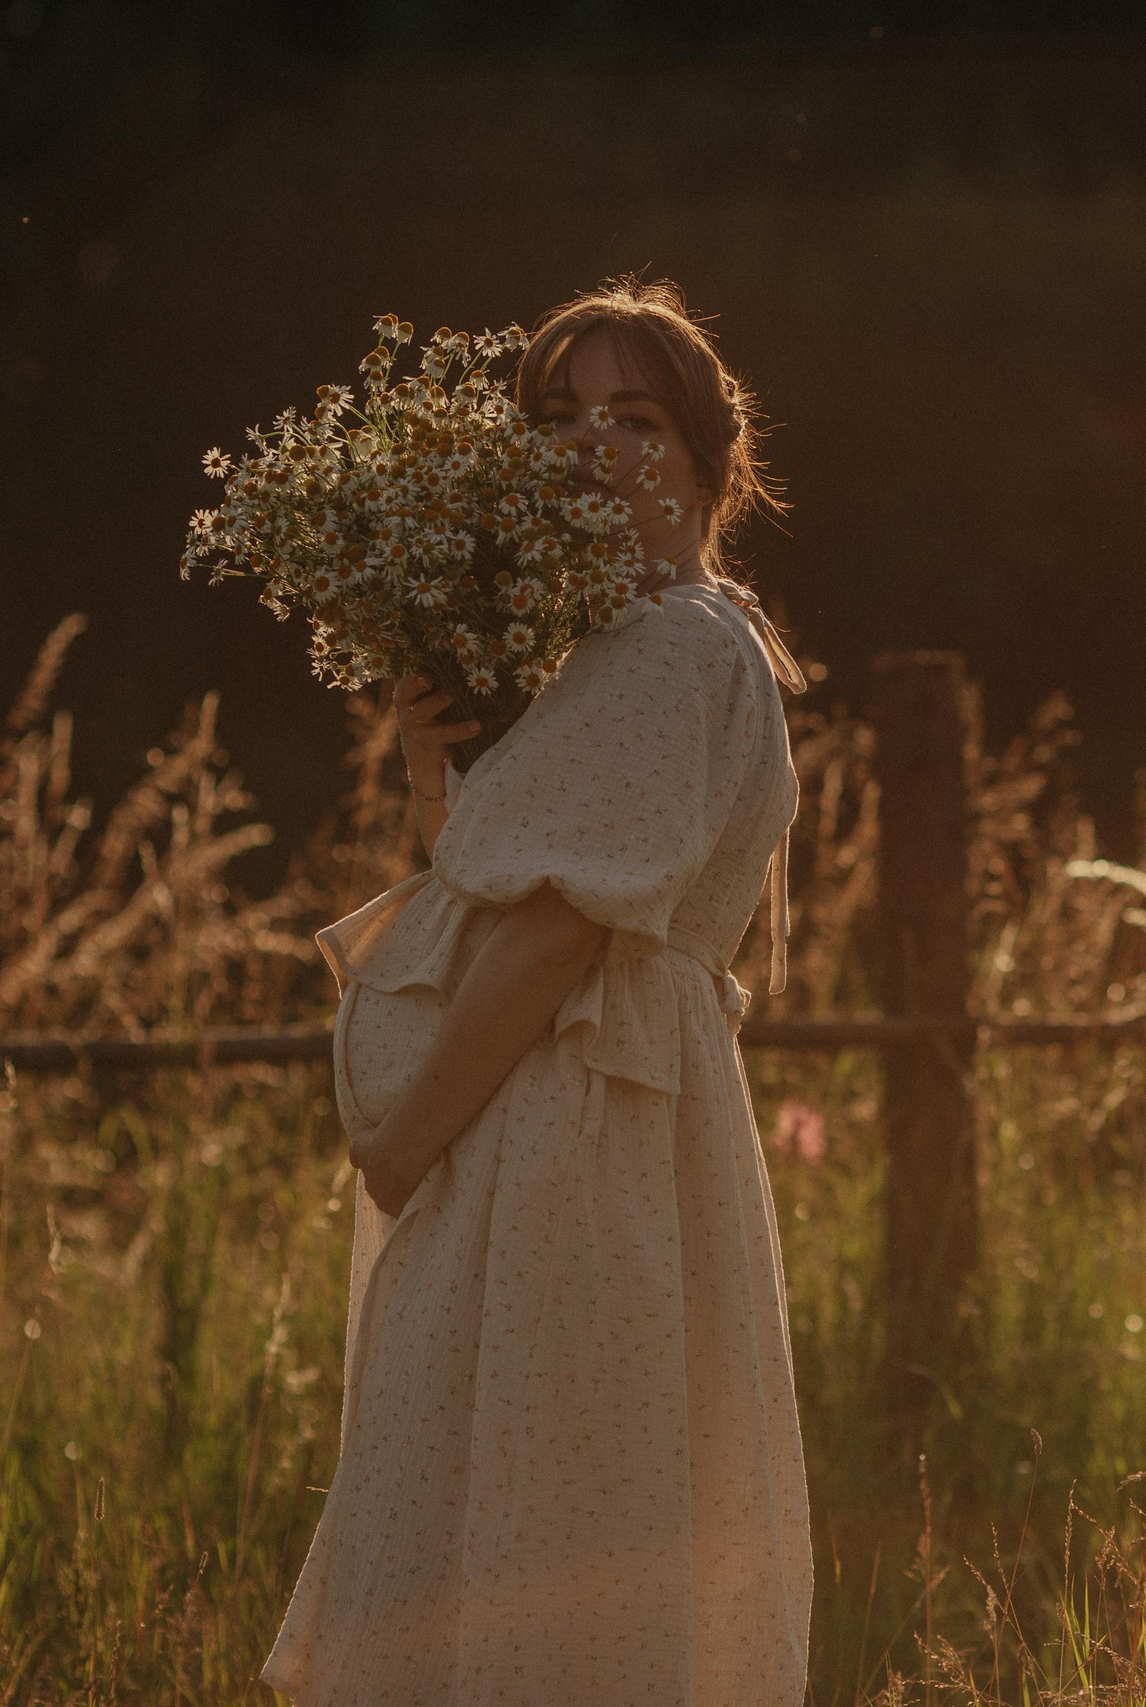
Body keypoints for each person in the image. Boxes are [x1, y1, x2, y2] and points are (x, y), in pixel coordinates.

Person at [262, 279, 814, 1704]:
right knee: (539, 1503)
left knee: (525, 1515)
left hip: (571, 1120)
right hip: (606, 1123)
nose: (591, 444)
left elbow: (556, 933)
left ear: (705, 462)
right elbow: (504, 884)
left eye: (634, 419)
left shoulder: (668, 645)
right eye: (561, 416)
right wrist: (432, 761)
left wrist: (401, 1144)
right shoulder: (671, 645)